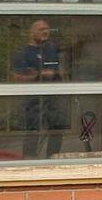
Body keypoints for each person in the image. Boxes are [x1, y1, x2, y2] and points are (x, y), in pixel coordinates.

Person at [10, 19, 65, 160]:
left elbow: (61, 70)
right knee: (33, 131)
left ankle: (53, 159)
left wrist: (56, 74)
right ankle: (29, 161)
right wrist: (36, 75)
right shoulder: (23, 53)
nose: (45, 32)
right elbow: (17, 77)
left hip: (53, 97)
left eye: (47, 29)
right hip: (32, 99)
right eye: (41, 29)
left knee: (57, 130)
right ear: (32, 32)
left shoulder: (52, 49)